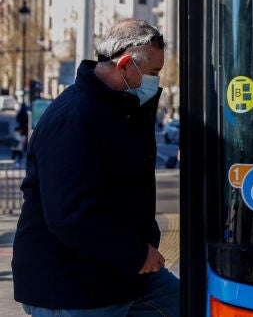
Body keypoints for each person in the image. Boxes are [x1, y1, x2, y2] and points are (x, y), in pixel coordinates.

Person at [12, 19, 179, 316]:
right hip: (73, 286)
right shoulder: (74, 118)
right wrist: (136, 254)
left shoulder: (119, 109)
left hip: (121, 272)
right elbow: (70, 214)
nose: (156, 81)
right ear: (125, 65)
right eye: (153, 72)